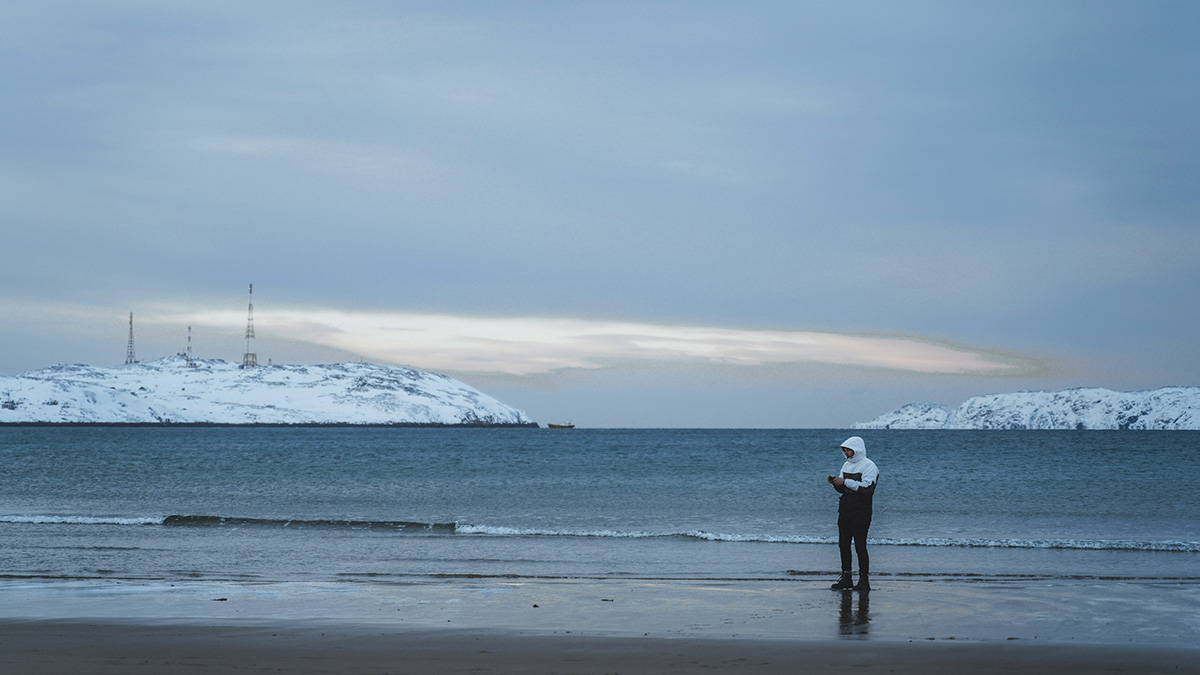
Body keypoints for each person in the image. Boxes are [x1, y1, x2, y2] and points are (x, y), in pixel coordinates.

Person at [827, 436, 878, 591]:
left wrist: (845, 482)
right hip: (845, 510)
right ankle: (846, 577)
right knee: (843, 544)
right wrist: (835, 483)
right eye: (845, 450)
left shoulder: (869, 466)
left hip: (861, 511)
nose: (846, 452)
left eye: (849, 450)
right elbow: (844, 489)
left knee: (860, 546)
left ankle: (864, 580)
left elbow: (868, 489)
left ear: (857, 450)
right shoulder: (846, 465)